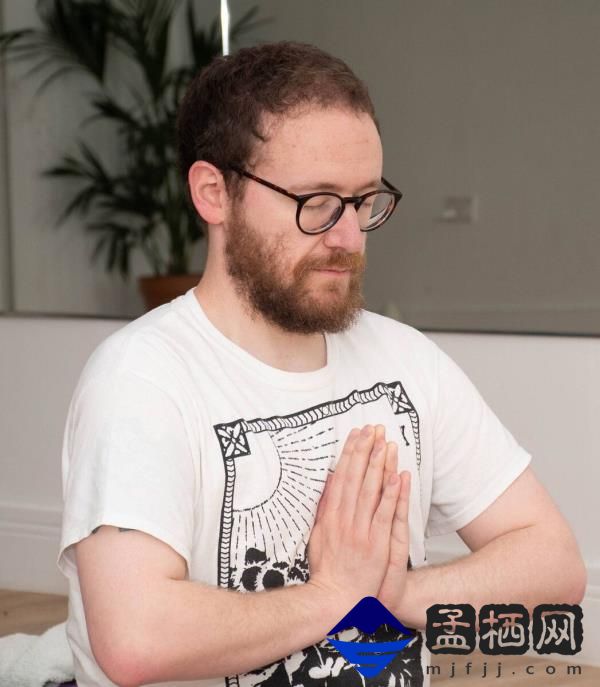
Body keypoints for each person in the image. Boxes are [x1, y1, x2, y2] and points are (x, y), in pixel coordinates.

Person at [58, 41, 586, 687]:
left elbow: (554, 562)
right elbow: (136, 637)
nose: (348, 237)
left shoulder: (404, 359)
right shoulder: (141, 380)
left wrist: (390, 595)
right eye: (317, 202)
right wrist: (334, 594)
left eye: (364, 201)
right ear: (213, 194)